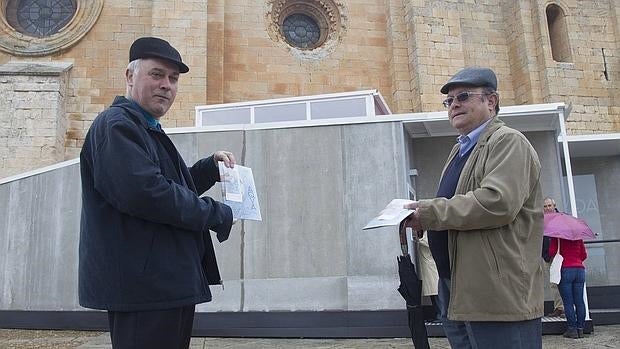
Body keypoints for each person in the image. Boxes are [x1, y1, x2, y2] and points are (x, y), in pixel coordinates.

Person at [79, 37, 236, 349]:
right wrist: (215, 213)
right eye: (157, 74)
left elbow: (165, 186)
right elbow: (147, 194)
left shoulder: (144, 126)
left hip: (162, 284)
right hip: (145, 288)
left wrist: (208, 170)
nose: (167, 85)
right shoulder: (117, 125)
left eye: (173, 79)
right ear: (130, 75)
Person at [401, 67, 544, 348]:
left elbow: (497, 202)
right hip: (456, 289)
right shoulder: (460, 149)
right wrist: (420, 221)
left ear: (490, 101)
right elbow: (458, 209)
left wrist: (429, 213)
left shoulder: (508, 141)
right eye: (449, 101)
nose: (454, 104)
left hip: (495, 294)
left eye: (463, 96)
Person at [548, 236, 587, 339]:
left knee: (568, 302)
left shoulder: (557, 237)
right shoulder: (579, 237)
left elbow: (552, 252)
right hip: (579, 270)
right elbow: (584, 255)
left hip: (565, 270)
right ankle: (580, 329)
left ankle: (572, 330)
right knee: (579, 301)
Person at [543, 197, 565, 318]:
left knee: (563, 281)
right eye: (545, 206)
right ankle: (559, 308)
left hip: (560, 255)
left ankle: (567, 307)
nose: (547, 208)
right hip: (547, 256)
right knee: (553, 283)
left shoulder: (561, 218)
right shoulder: (541, 220)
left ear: (554, 206)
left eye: (549, 206)